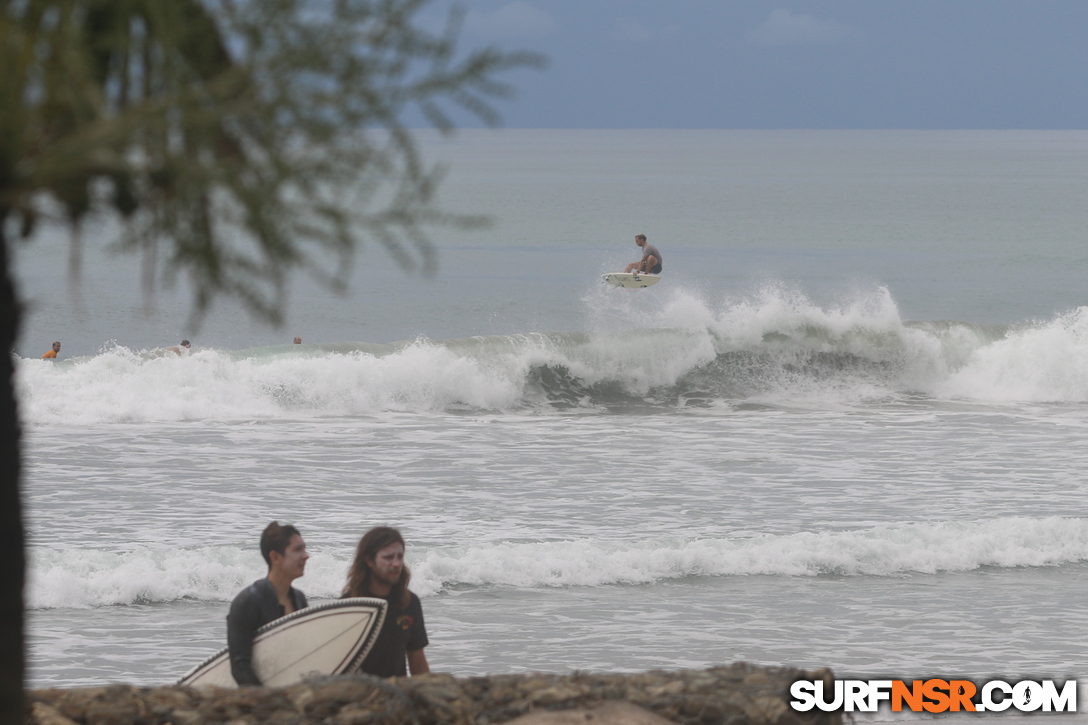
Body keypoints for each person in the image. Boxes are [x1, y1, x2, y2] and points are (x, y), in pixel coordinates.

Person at [227, 521, 309, 686]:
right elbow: (240, 667)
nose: (306, 555)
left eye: (304, 548)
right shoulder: (248, 602)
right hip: (260, 699)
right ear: (275, 557)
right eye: (298, 549)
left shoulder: (299, 599)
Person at [342, 527, 429, 677]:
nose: (396, 564)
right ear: (369, 560)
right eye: (388, 557)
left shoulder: (409, 602)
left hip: (397, 694)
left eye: (400, 557)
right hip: (358, 695)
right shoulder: (349, 606)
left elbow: (417, 660)